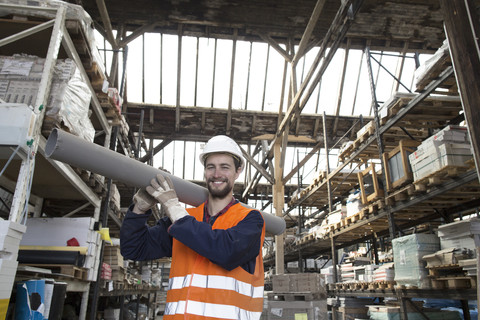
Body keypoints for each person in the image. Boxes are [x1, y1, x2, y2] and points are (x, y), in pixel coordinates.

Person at [120, 135, 265, 320]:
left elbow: (226, 251)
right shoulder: (183, 220)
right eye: (210, 167)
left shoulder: (250, 220)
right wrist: (139, 209)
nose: (216, 174)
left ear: (238, 172)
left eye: (225, 167)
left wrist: (173, 208)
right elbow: (134, 248)